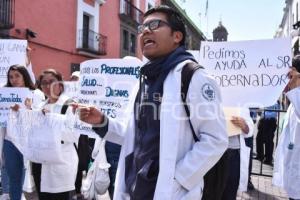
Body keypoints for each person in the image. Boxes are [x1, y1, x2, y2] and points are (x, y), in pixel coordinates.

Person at [75, 5, 228, 199]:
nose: (145, 30)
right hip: (135, 188)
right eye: (142, 28)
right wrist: (102, 122)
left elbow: (216, 139)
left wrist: (178, 179)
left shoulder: (193, 77)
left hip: (172, 192)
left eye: (155, 24)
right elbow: (135, 137)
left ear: (177, 36)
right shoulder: (144, 82)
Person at [31, 69, 79, 200]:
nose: (47, 86)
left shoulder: (70, 106)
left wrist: (50, 121)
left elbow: (74, 135)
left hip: (61, 163)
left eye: (51, 82)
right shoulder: (39, 107)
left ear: (60, 84)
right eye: (44, 83)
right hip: (40, 163)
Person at [0, 65, 40, 200]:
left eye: (17, 76)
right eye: (11, 77)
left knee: (34, 178)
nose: (14, 79)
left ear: (24, 76)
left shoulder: (36, 94)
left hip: (28, 142)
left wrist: (28, 108)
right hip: (9, 141)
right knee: (14, 178)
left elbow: (41, 119)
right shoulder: (3, 94)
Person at [273, 56, 300, 200]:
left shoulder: (296, 96)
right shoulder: (293, 100)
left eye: (290, 75)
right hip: (293, 171)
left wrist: (296, 87)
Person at [220, 108, 254, 200]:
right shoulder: (212, 98)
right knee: (211, 191)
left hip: (233, 154)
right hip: (214, 152)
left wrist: (244, 125)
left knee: (230, 192)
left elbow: (249, 130)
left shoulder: (241, 101)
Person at [256, 101, 280, 165]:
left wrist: (264, 113)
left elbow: (274, 114)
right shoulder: (264, 101)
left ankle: (268, 159)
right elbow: (260, 112)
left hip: (270, 122)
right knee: (259, 139)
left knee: (268, 141)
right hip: (263, 121)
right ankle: (260, 155)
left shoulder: (275, 103)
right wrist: (260, 112)